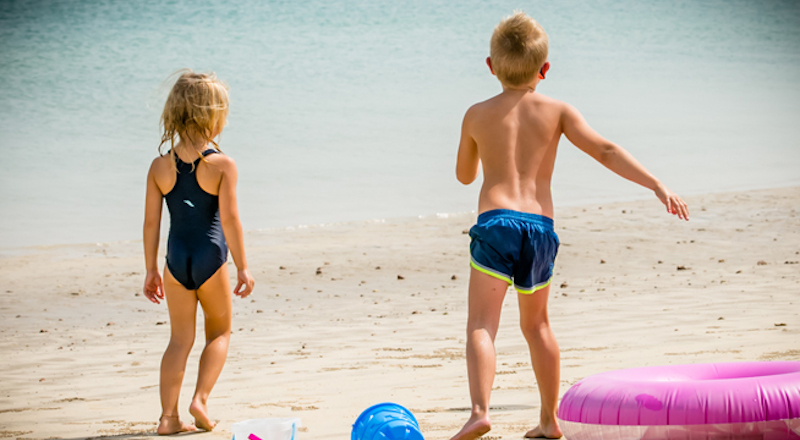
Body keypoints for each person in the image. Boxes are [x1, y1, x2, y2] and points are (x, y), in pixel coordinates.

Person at [451, 11, 689, 440]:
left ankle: (480, 412)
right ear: (545, 70)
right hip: (541, 229)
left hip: (496, 225)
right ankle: (548, 419)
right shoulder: (558, 110)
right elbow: (606, 150)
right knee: (537, 325)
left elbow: (465, 176)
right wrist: (656, 183)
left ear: (489, 66)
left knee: (482, 324)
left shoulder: (475, 113)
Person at [142, 70, 255, 434]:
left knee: (179, 339)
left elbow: (150, 225)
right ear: (214, 115)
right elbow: (232, 220)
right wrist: (242, 267)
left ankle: (168, 418)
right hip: (211, 259)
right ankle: (200, 400)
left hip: (175, 263)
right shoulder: (221, 164)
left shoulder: (159, 167)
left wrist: (151, 271)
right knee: (219, 333)